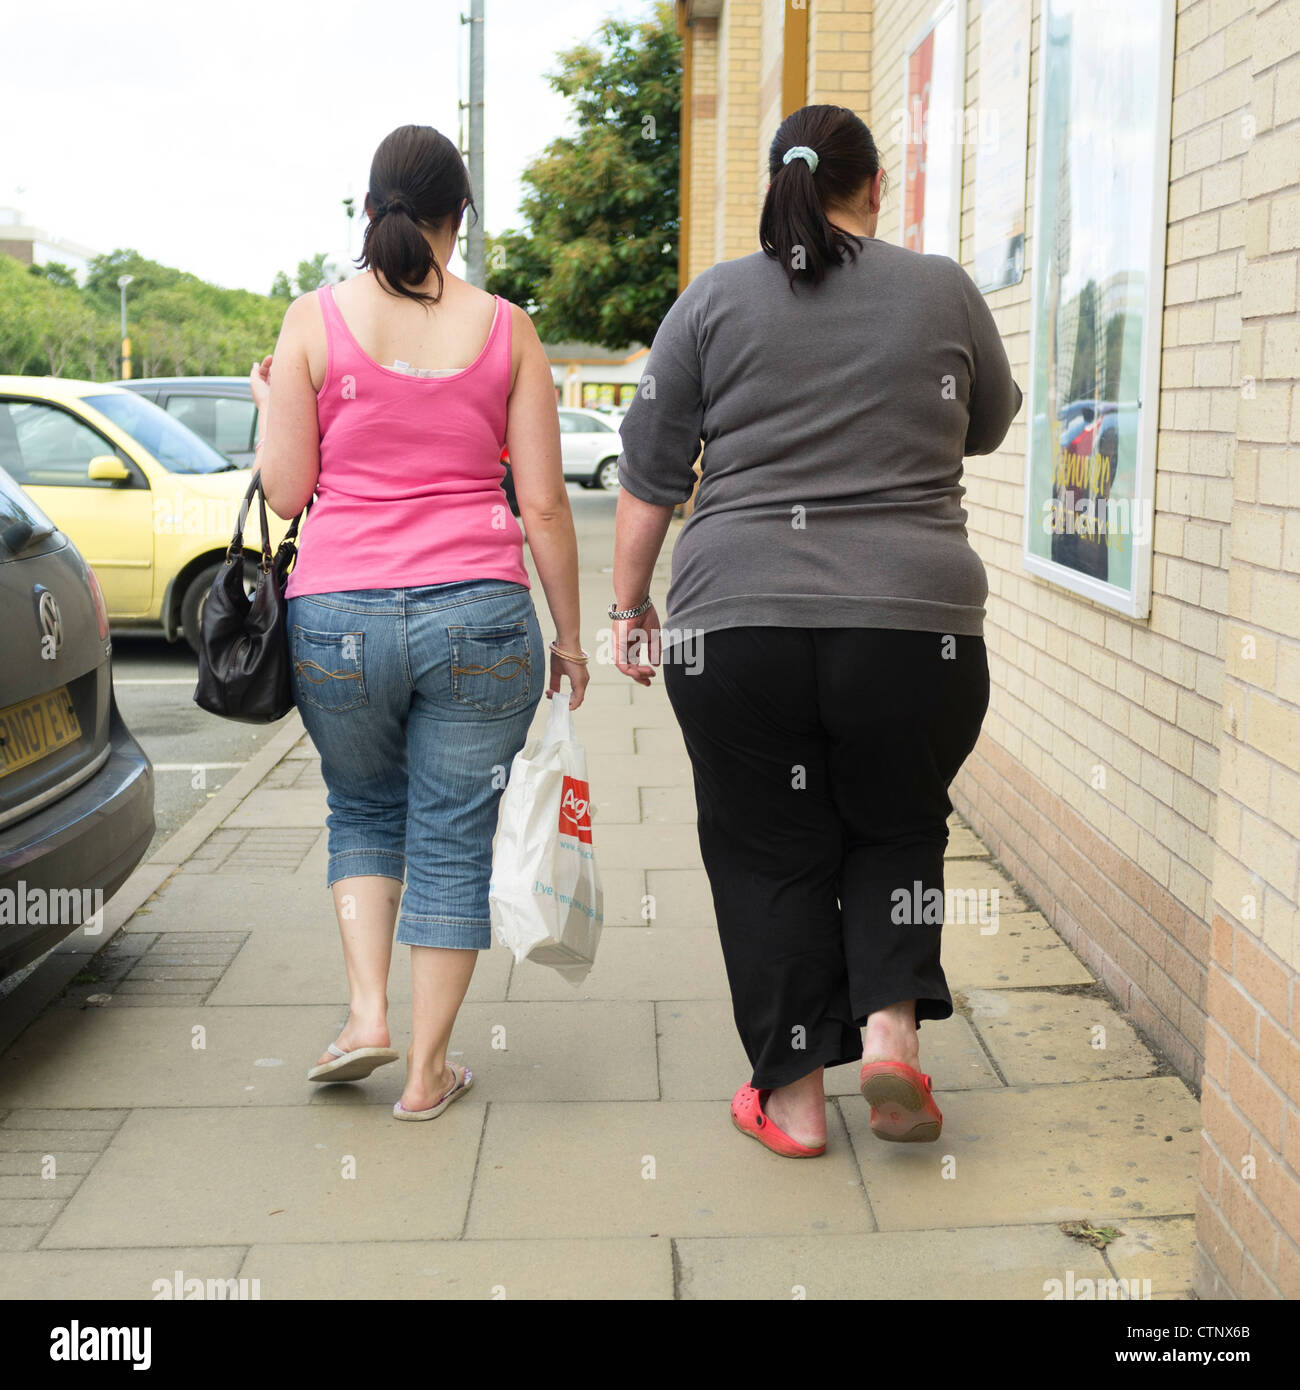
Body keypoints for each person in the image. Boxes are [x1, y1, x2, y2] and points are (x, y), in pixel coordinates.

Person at [610, 105, 1022, 1157]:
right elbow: (985, 421)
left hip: (737, 626)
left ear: (776, 184)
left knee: (766, 852)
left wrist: (627, 607)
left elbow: (651, 475)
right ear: (874, 187)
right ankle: (889, 1032)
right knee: (895, 822)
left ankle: (792, 1103)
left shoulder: (710, 300)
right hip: (911, 630)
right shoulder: (940, 289)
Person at [252, 124, 588, 1121]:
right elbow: (543, 506)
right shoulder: (507, 329)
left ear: (368, 211)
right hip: (479, 617)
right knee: (452, 832)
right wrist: (571, 637)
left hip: (339, 614)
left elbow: (284, 494)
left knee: (362, 808)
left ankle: (365, 1015)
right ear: (460, 219)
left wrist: (276, 401)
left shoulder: (311, 321)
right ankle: (426, 1075)